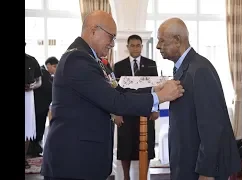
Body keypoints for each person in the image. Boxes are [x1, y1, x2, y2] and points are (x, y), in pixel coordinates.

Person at [40, 11, 184, 180]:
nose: (113, 44)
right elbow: (115, 101)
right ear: (94, 30)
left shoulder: (89, 58)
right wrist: (159, 98)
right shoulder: (78, 59)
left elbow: (117, 91)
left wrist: (154, 91)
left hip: (83, 159)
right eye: (111, 37)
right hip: (73, 161)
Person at [156, 18, 241, 180]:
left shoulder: (200, 70)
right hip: (187, 162)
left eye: (162, 41)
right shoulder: (186, 68)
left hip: (200, 168)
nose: (158, 46)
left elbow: (212, 127)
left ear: (177, 40)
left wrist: (206, 172)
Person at [113, 34, 159, 180]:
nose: (135, 48)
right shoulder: (119, 66)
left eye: (138, 45)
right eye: (132, 45)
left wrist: (155, 109)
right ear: (127, 47)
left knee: (147, 144)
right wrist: (117, 114)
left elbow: (155, 88)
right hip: (126, 113)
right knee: (125, 146)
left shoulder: (151, 64)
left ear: (141, 46)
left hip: (145, 112)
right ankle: (126, 177)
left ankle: (143, 176)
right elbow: (115, 92)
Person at [28, 57, 59, 157]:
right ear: (48, 65)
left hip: (42, 106)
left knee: (39, 128)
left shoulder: (48, 75)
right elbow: (49, 88)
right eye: (54, 66)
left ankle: (35, 149)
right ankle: (33, 150)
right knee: (37, 128)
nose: (55, 69)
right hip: (38, 106)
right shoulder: (42, 72)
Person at [25, 42, 42, 168]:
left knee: (27, 128)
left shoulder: (31, 60)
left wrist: (32, 86)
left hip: (28, 95)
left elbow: (39, 80)